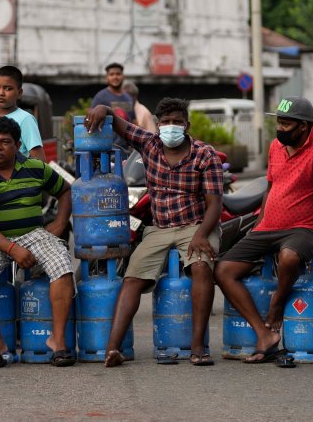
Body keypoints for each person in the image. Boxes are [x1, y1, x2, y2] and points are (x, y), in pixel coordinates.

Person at [85, 98, 223, 367]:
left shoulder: (205, 154)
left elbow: (215, 205)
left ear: (187, 125)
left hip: (196, 225)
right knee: (132, 278)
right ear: (158, 126)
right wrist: (106, 110)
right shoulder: (149, 144)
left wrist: (201, 235)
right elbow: (122, 126)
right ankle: (113, 348)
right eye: (166, 123)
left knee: (201, 268)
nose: (171, 127)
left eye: (177, 122)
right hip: (159, 229)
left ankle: (197, 347)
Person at [214, 97, 313, 364]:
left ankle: (277, 303)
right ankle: (264, 334)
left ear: (303, 126)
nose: (280, 128)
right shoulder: (276, 146)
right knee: (223, 270)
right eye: (279, 122)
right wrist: (260, 223)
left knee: (289, 257)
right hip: (267, 226)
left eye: (286, 124)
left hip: (303, 228)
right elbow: (271, 188)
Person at [0, 116, 75, 368]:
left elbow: (66, 190)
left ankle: (57, 341)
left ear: (17, 144)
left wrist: (59, 223)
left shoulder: (36, 167)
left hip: (32, 232)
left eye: (5, 142)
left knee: (62, 264)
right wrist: (12, 249)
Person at [0, 65, 45, 161]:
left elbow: (40, 161)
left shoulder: (25, 119)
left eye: (8, 88)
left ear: (19, 93)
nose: (1, 93)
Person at [91, 62, 135, 155]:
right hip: (107, 149)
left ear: (123, 76)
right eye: (112, 74)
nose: (115, 77)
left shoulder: (129, 98)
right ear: (107, 77)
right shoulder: (100, 97)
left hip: (126, 149)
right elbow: (92, 121)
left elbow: (133, 121)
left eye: (118, 74)